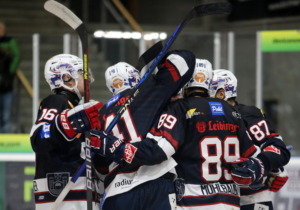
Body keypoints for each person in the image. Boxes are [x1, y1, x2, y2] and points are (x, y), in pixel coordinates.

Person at [91, 59, 264, 210]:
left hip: (191, 199)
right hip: (229, 200)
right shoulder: (233, 111)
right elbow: (255, 155)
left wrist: (117, 148)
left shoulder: (177, 108)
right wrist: (263, 168)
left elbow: (160, 149)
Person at [91, 50, 196, 210]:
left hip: (116, 191)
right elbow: (184, 60)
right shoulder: (150, 89)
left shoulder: (100, 114)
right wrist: (162, 61)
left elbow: (101, 168)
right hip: (155, 180)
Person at [30, 54, 103, 210]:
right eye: (81, 72)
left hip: (80, 193)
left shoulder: (75, 108)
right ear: (66, 77)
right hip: (64, 194)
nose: (87, 77)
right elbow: (39, 138)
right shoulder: (56, 101)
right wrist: (67, 125)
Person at [210, 69, 291, 210]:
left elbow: (277, 148)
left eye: (208, 91)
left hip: (250, 199)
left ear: (222, 93)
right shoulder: (203, 116)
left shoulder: (247, 115)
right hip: (216, 200)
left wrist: (264, 164)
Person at [0, 21, 21, 133]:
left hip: (7, 84)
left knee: (6, 115)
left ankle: (5, 140)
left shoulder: (10, 41)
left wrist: (10, 72)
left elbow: (17, 56)